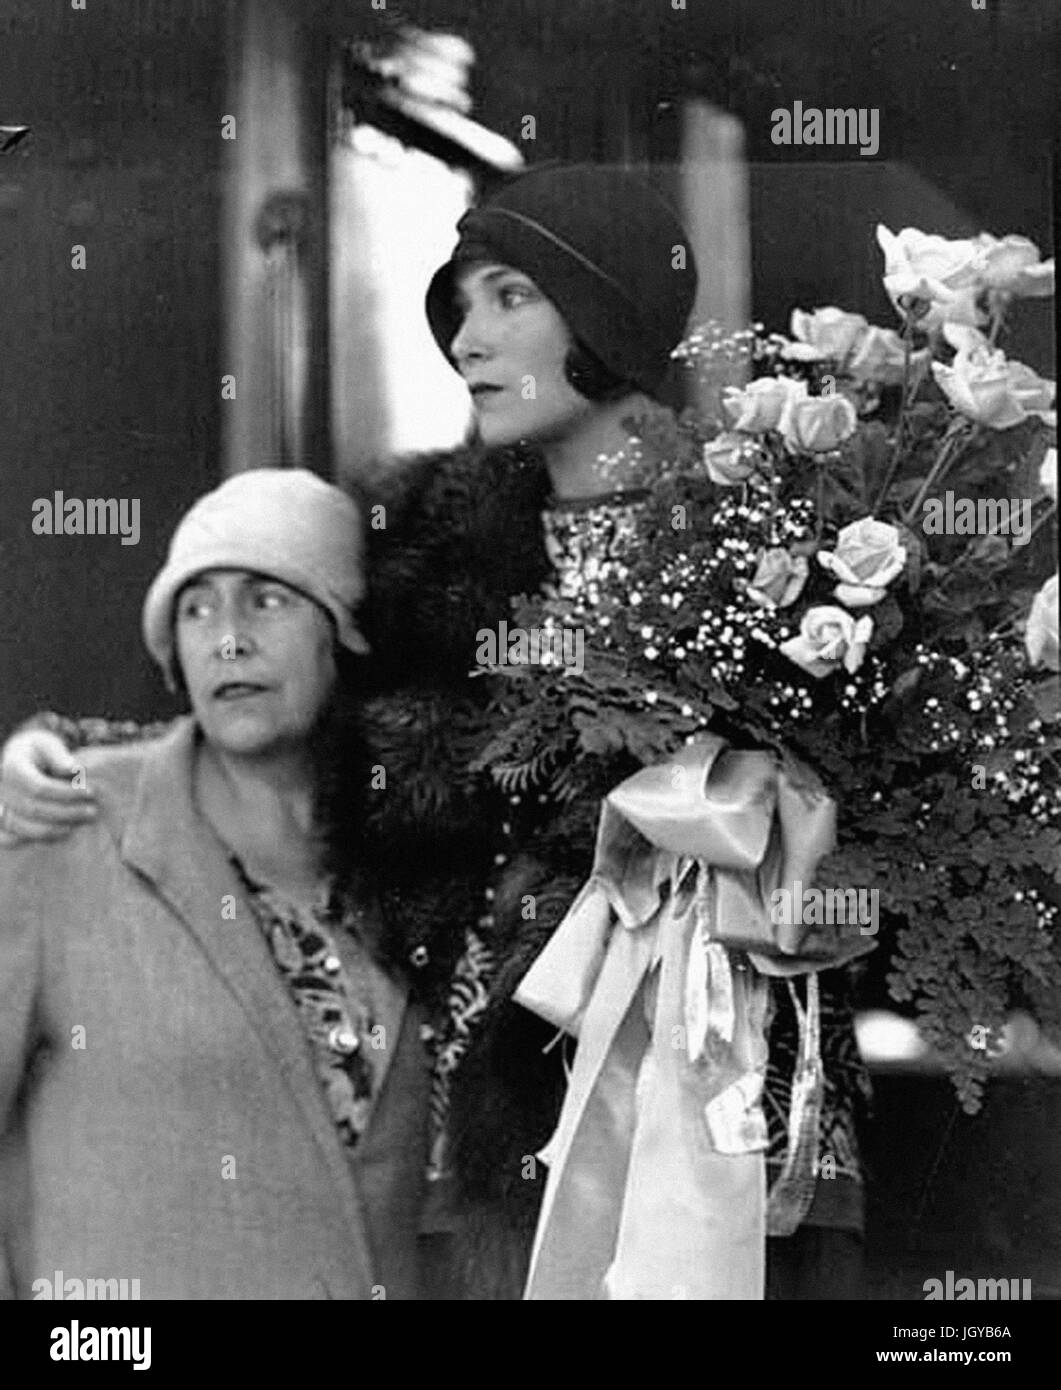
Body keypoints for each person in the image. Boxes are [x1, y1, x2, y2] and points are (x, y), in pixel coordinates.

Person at [0, 163, 872, 1299]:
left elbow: (880, 827)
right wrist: (64, 747)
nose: (467, 341)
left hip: (738, 1084)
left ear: (607, 307)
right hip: (493, 1110)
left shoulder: (783, 541)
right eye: (462, 307)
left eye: (510, 298)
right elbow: (273, 697)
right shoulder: (415, 539)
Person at [0, 469, 436, 1300]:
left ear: (342, 632)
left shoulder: (414, 849)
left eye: (266, 600)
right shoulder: (60, 828)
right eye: (195, 608)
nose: (226, 638)